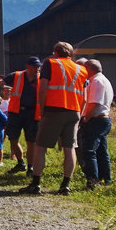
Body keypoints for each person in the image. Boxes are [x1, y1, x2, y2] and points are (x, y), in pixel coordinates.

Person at [19, 41, 87, 196]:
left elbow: (42, 89)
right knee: (70, 148)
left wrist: (42, 110)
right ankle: (65, 185)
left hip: (54, 109)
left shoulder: (50, 63)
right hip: (74, 111)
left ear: (55, 52)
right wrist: (79, 115)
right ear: (71, 54)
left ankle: (36, 184)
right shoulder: (81, 69)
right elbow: (84, 98)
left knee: (40, 146)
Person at [77, 59, 113, 190]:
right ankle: (106, 178)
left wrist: (86, 118)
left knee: (89, 151)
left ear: (89, 69)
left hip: (96, 120)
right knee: (102, 151)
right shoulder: (104, 80)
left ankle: (92, 181)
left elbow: (94, 103)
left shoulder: (96, 81)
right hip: (103, 120)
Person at [4, 56, 43, 175]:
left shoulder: (42, 78)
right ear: (28, 66)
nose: (37, 69)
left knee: (31, 141)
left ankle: (30, 167)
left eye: (38, 66)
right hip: (16, 112)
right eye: (35, 66)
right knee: (12, 138)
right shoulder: (17, 76)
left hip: (33, 114)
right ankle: (21, 162)